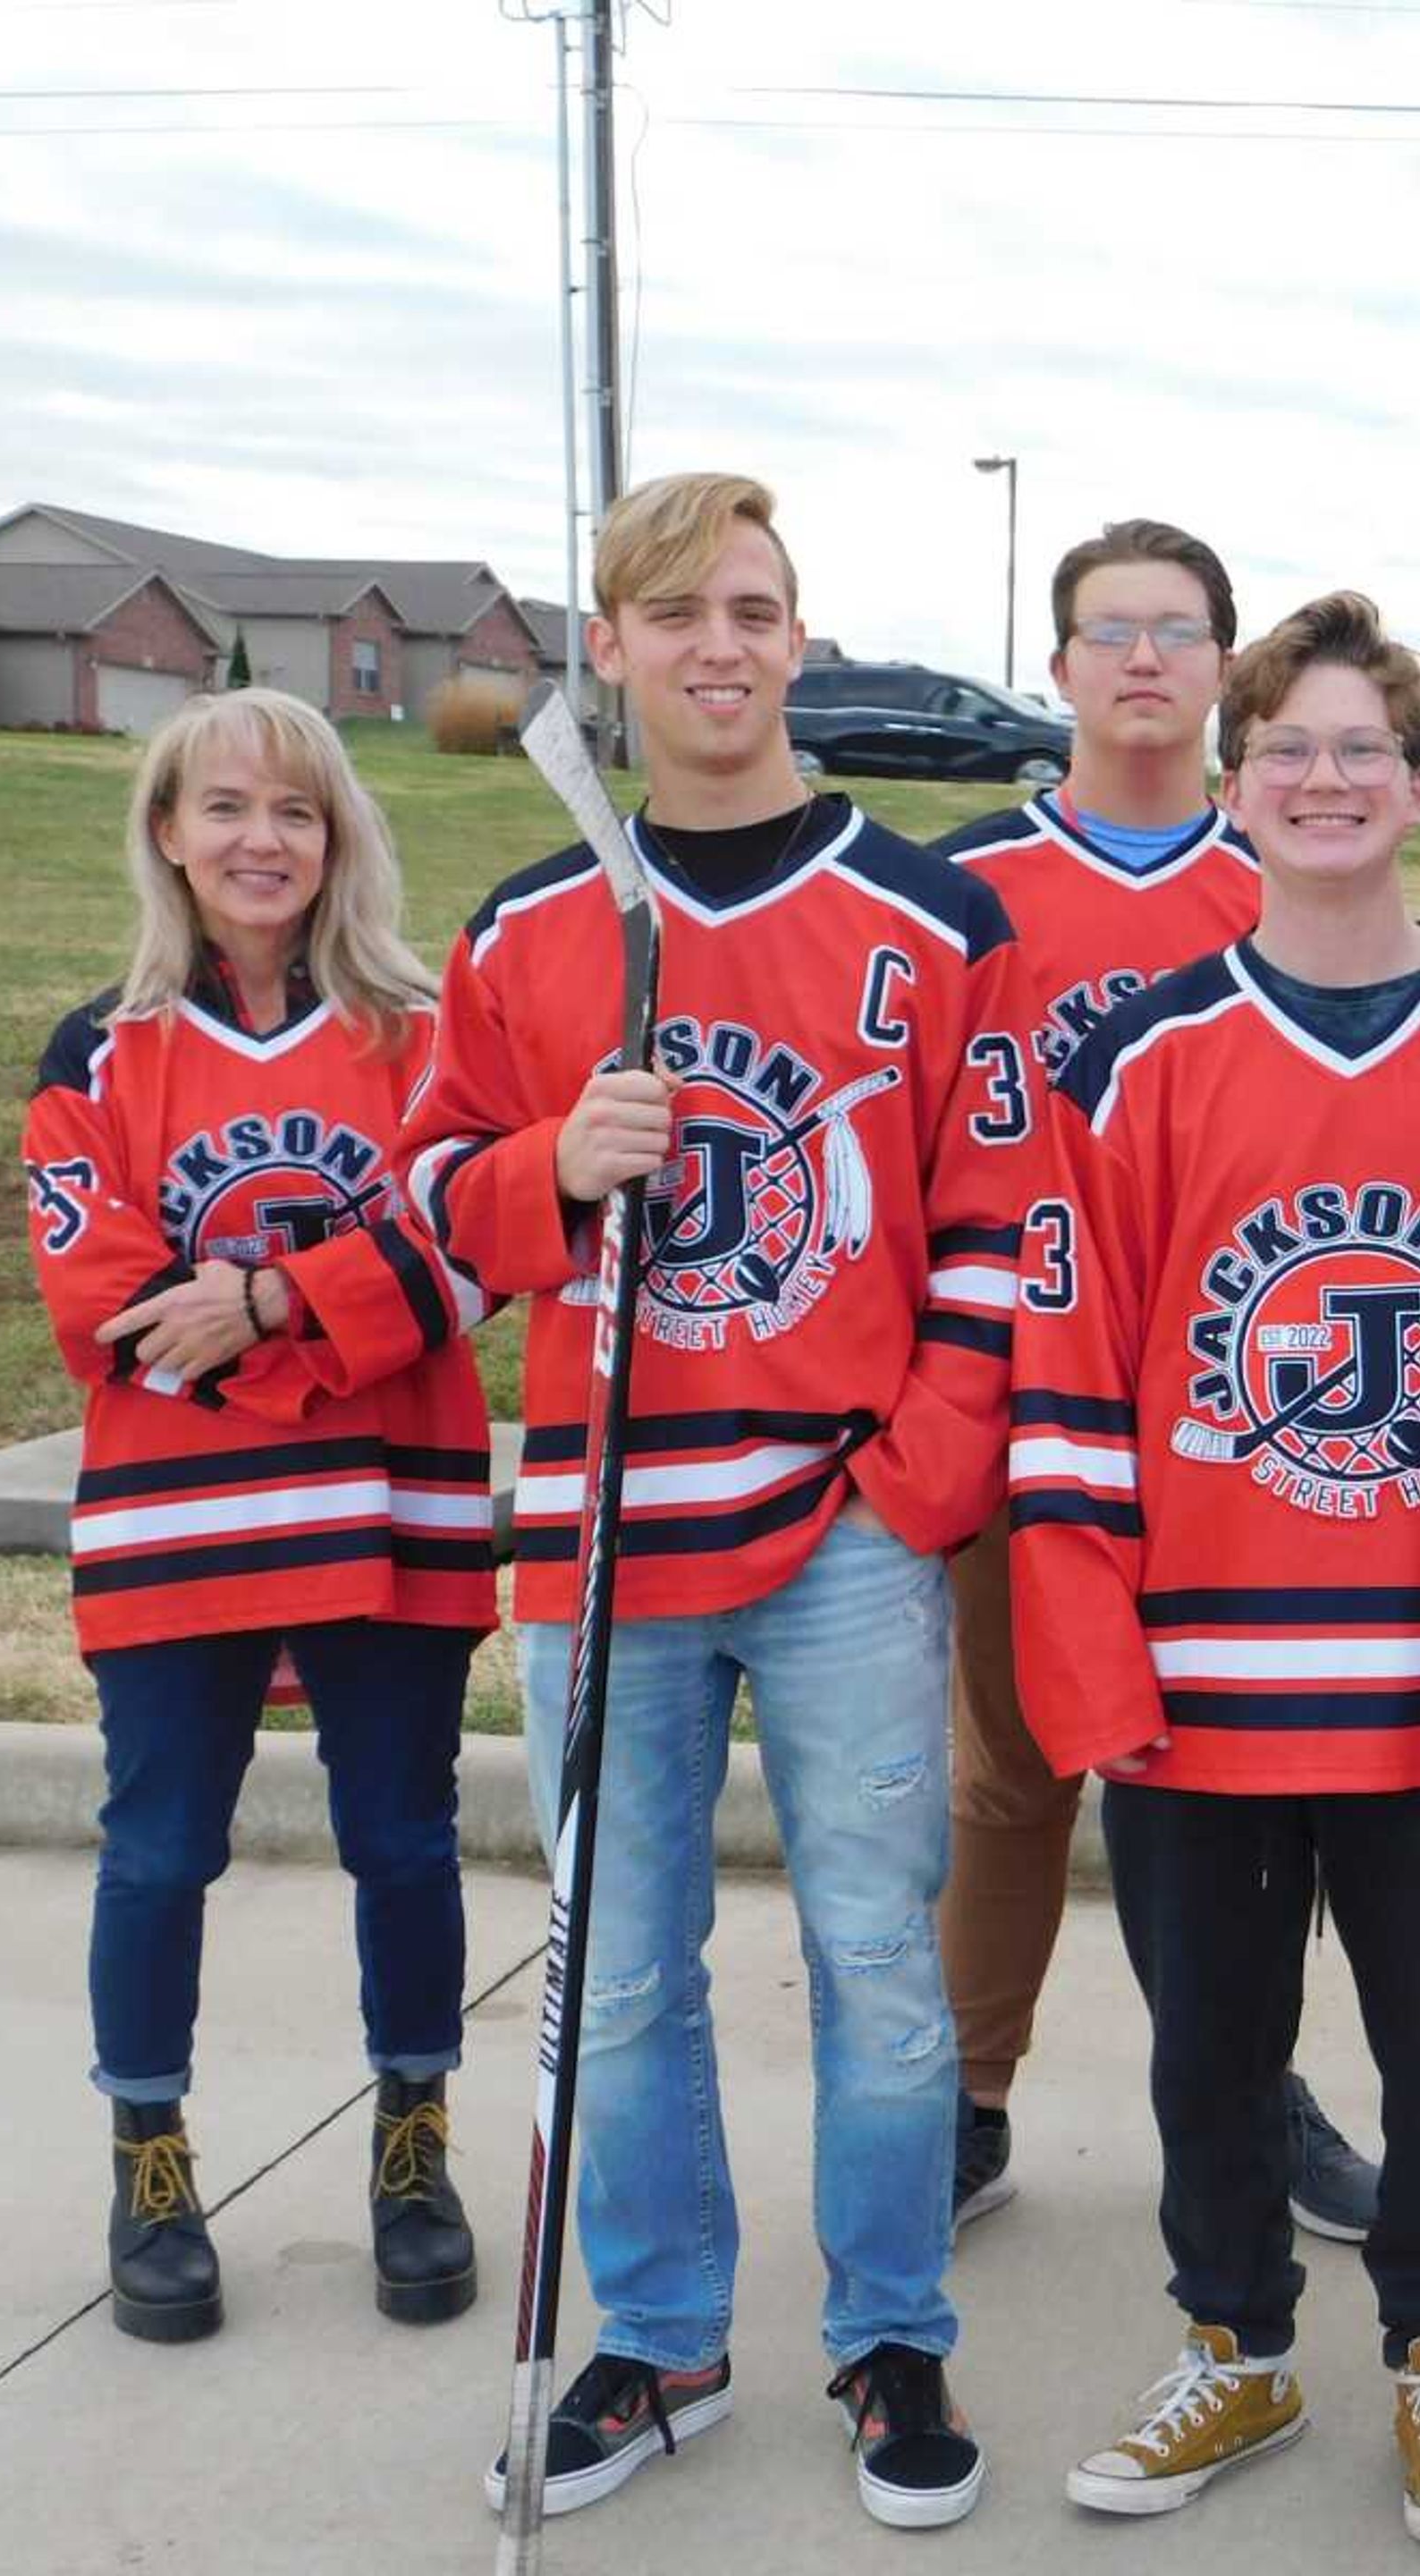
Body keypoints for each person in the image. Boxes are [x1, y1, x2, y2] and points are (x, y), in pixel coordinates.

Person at [408, 473, 1024, 2531]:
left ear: (798, 634)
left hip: (842, 1521)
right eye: (676, 614)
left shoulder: (934, 920)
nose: (720, 647)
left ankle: (889, 2336)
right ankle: (662, 2338)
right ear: (612, 648)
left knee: (877, 1952)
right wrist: (547, 1170)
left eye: (755, 609)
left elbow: (997, 1226)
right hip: (603, 1529)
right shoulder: (522, 928)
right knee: (627, 1960)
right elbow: (430, 1200)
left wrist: (916, 1474)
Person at [1002, 592, 1420, 2548]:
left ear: (1418, 787)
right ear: (1236, 782)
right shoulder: (1133, 1050)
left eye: (1364, 750)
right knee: (1213, 2054)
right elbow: (1069, 1370)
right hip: (1205, 1668)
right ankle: (1239, 2345)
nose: (1328, 780)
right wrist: (1092, 1657)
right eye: (1291, 751)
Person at [23, 686, 494, 2347]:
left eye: (294, 810)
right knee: (158, 1850)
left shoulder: (429, 1037)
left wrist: (280, 1303)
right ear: (167, 833)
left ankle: (413, 2142)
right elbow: (102, 1294)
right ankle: (148, 2155)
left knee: (404, 1841)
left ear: (340, 834)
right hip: (180, 1516)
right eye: (223, 807)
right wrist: (313, 1342)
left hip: (392, 1513)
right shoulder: (101, 1046)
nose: (260, 840)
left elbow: (474, 1244)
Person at [928, 519, 1380, 2244]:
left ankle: (1256, 2100)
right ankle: (971, 2101)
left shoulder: (1280, 861)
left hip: (1227, 1417)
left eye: (1178, 633)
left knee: (1226, 1781)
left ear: (1224, 669)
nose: (1142, 662)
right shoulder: (961, 886)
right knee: (1017, 1766)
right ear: (1057, 667)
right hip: (1018, 1395)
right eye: (1108, 630)